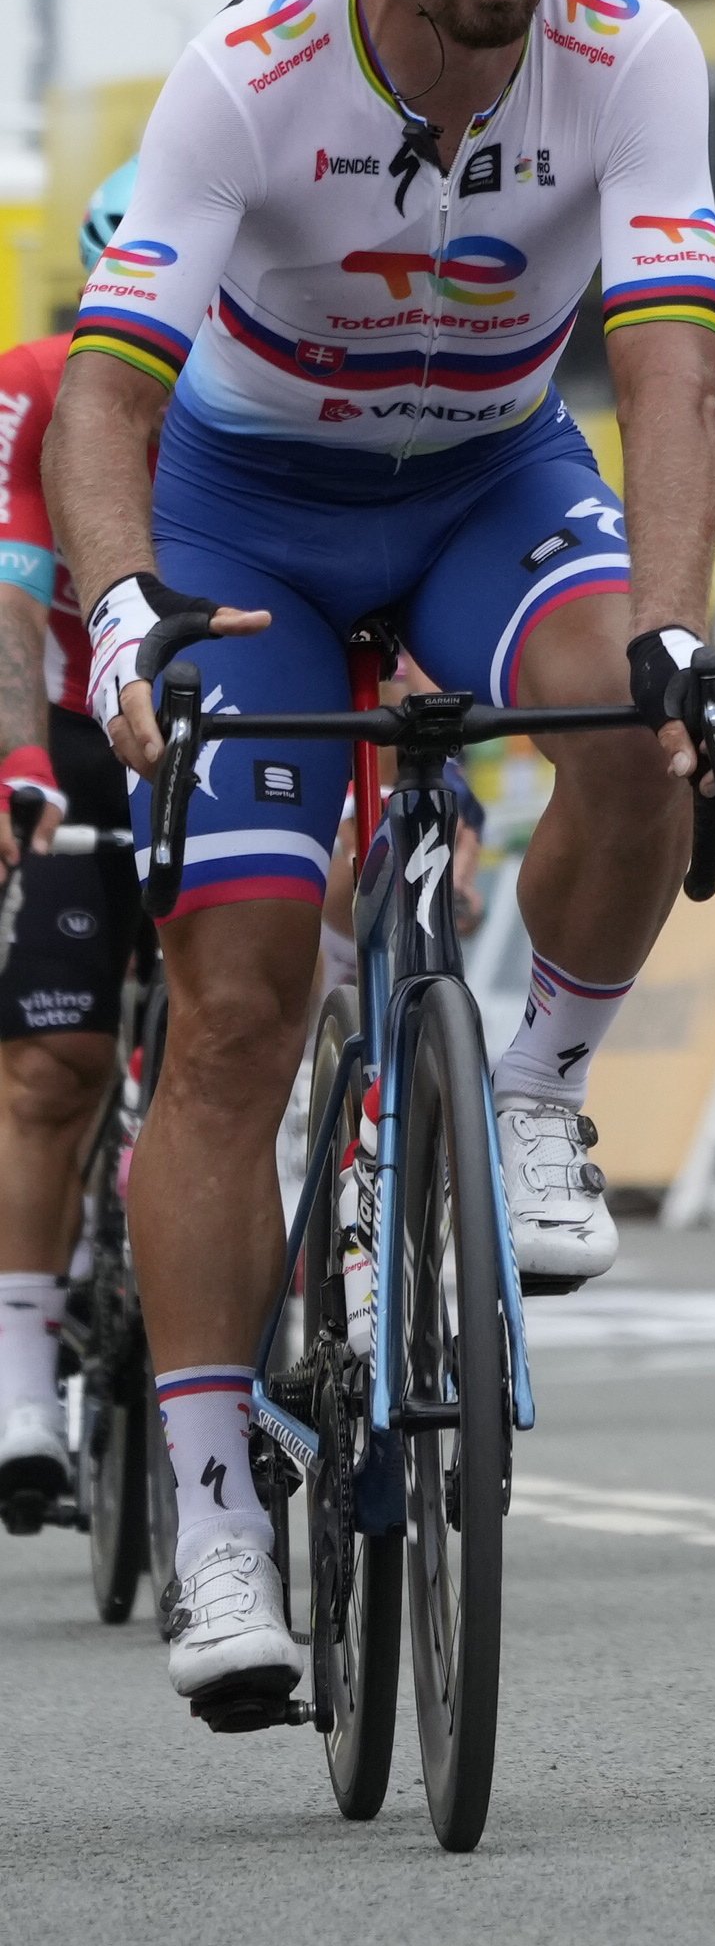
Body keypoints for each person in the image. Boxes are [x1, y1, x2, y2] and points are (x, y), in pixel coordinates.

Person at [49, 0, 715, 1720]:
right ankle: (206, 1519)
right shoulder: (250, 75)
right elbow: (109, 394)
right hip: (250, 508)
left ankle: (529, 1092)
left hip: (481, 478)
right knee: (243, 996)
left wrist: (686, 625)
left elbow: (669, 369)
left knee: (635, 705)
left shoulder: (631, 57)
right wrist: (116, 613)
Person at [0, 168, 152, 1531]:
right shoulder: (41, 385)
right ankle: (19, 1374)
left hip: (216, 712)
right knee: (54, 1063)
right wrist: (23, 768)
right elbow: (13, 586)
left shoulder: (270, 379)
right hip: (66, 715)